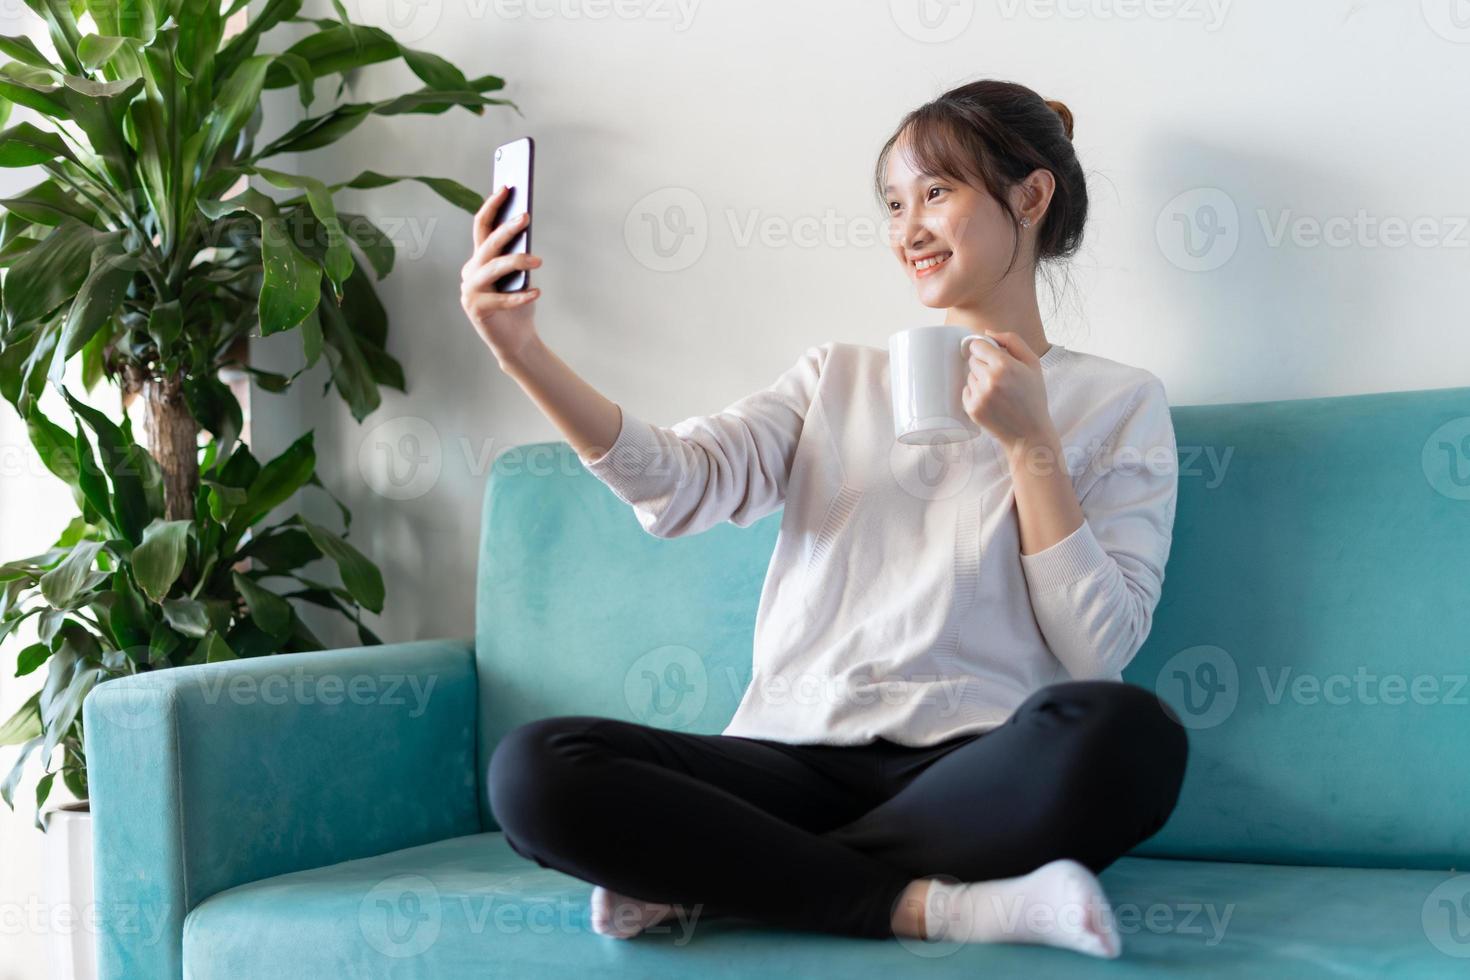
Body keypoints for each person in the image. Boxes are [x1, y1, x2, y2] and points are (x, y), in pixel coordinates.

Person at [459, 79, 1187, 959]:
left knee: (1131, 738)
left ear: (1031, 198)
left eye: (937, 193)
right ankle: (936, 907)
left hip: (973, 767)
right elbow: (679, 483)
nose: (907, 229)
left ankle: (721, 877)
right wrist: (523, 352)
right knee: (537, 770)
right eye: (893, 203)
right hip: (787, 759)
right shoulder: (832, 379)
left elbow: (1096, 651)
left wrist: (1031, 443)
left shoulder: (1119, 402)